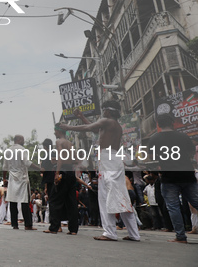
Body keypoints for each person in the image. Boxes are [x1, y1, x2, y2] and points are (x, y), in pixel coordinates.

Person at [61, 101, 141, 241]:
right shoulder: (113, 124)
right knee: (121, 197)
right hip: (112, 160)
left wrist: (67, 127)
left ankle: (110, 233)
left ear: (108, 111)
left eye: (104, 110)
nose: (102, 112)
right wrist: (81, 116)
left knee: (105, 197)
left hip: (109, 160)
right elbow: (93, 129)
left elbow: (88, 127)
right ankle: (134, 234)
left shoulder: (107, 121)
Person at [147, 113, 198, 244]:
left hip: (169, 177)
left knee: (173, 207)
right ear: (172, 122)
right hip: (187, 175)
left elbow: (151, 157)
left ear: (158, 124)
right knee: (196, 201)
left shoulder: (154, 138)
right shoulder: (183, 136)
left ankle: (181, 237)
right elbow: (191, 152)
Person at [44, 124, 79, 235]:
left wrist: (57, 173)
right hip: (71, 172)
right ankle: (73, 229)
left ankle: (53, 228)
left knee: (54, 199)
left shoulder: (59, 142)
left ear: (59, 131)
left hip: (63, 172)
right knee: (71, 201)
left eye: (55, 131)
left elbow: (60, 158)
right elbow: (75, 159)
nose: (54, 133)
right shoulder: (71, 143)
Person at [3, 134, 42, 230]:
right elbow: (27, 162)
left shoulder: (8, 151)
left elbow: (5, 167)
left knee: (13, 202)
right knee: (24, 202)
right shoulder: (22, 149)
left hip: (12, 178)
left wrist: (4, 179)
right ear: (19, 140)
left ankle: (14, 224)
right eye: (23, 140)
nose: (24, 142)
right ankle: (28, 225)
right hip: (22, 178)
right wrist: (39, 168)